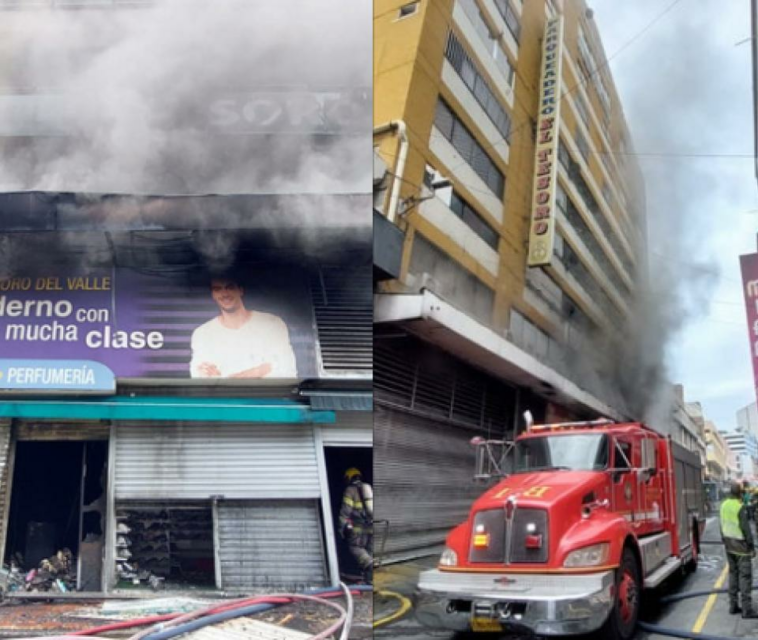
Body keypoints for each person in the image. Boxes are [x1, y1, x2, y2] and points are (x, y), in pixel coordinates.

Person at [190, 277, 297, 379]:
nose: (224, 294)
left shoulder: (271, 323)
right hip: (225, 397)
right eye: (217, 289)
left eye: (230, 287)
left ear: (240, 290)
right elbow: (200, 376)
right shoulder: (202, 333)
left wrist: (229, 379)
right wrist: (261, 370)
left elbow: (287, 370)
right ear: (213, 295)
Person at [720, 481, 758, 618]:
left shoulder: (723, 505)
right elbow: (746, 529)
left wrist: (724, 540)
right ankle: (747, 610)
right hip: (741, 547)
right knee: (745, 577)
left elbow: (722, 524)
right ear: (740, 494)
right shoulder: (739, 507)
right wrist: (752, 547)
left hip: (729, 546)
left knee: (733, 574)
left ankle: (733, 605)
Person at [339, 467, 373, 582]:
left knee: (355, 547)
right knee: (369, 550)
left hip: (358, 527)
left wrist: (341, 530)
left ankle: (370, 566)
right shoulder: (368, 487)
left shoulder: (350, 490)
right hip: (372, 526)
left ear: (349, 477)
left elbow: (345, 512)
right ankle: (369, 579)